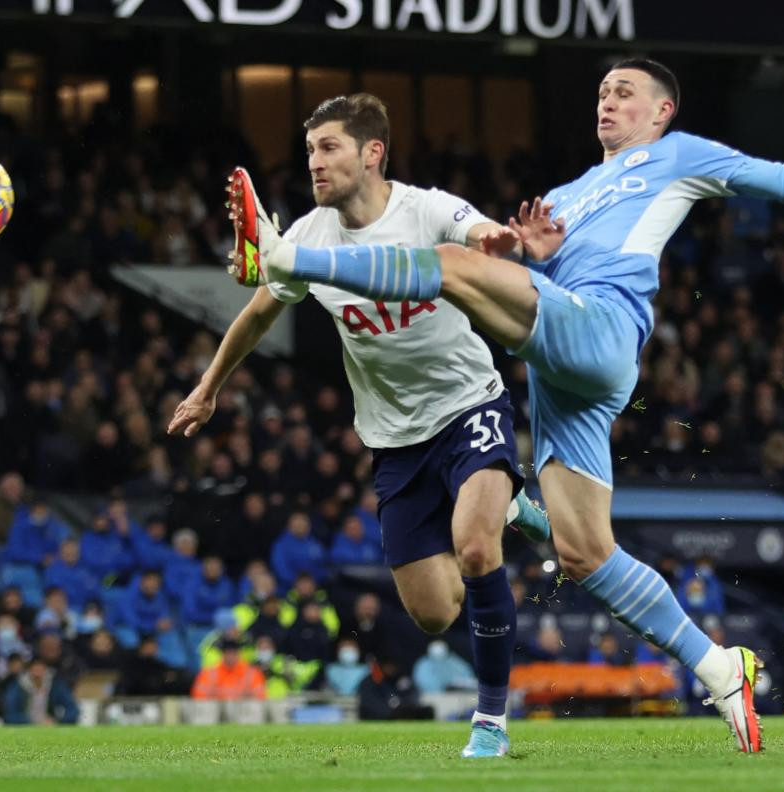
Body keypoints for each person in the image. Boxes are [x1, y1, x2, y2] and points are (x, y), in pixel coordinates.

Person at [231, 60, 784, 753]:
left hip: (599, 330)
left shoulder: (677, 156)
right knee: (582, 553)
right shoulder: (568, 193)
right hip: (556, 371)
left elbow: (782, 178)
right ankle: (720, 667)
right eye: (603, 91)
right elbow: (519, 280)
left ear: (662, 112)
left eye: (625, 93)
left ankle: (287, 257)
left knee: (448, 268)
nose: (608, 102)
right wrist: (533, 252)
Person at [169, 93, 549, 758]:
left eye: (329, 148)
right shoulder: (312, 237)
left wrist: (503, 240)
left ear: (373, 153)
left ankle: (490, 721)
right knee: (433, 612)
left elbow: (481, 234)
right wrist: (207, 389)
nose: (314, 162)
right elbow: (260, 312)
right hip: (394, 441)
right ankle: (510, 502)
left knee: (477, 549)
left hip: (469, 406)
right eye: (310, 150)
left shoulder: (424, 208)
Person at [191, 637, 266, 700]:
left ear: (238, 654)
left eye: (233, 653)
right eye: (228, 653)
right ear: (223, 654)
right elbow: (198, 695)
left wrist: (218, 693)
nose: (230, 656)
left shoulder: (252, 673)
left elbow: (261, 695)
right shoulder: (210, 673)